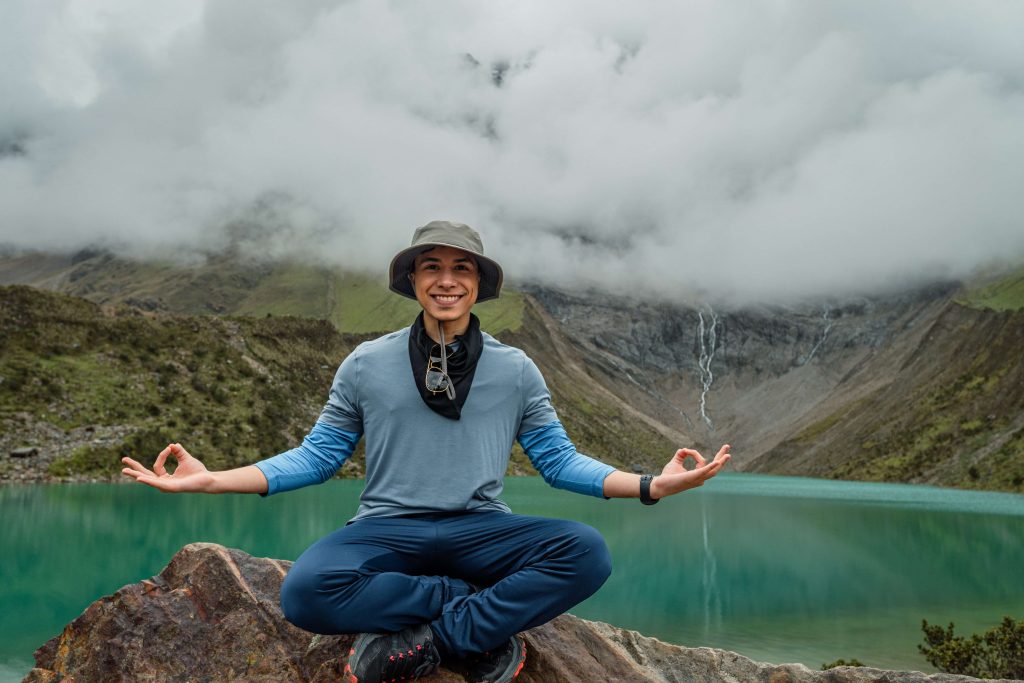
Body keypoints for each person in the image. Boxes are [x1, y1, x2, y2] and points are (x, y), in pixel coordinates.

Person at [122, 220, 731, 683]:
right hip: (388, 529)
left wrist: (652, 485)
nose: (446, 280)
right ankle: (469, 613)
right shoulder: (366, 364)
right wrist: (211, 480)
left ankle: (434, 641)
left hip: (480, 530)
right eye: (431, 267)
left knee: (586, 553)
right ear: (412, 281)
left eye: (461, 269)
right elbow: (316, 457)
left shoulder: (516, 370)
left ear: (477, 285)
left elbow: (559, 462)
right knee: (305, 593)